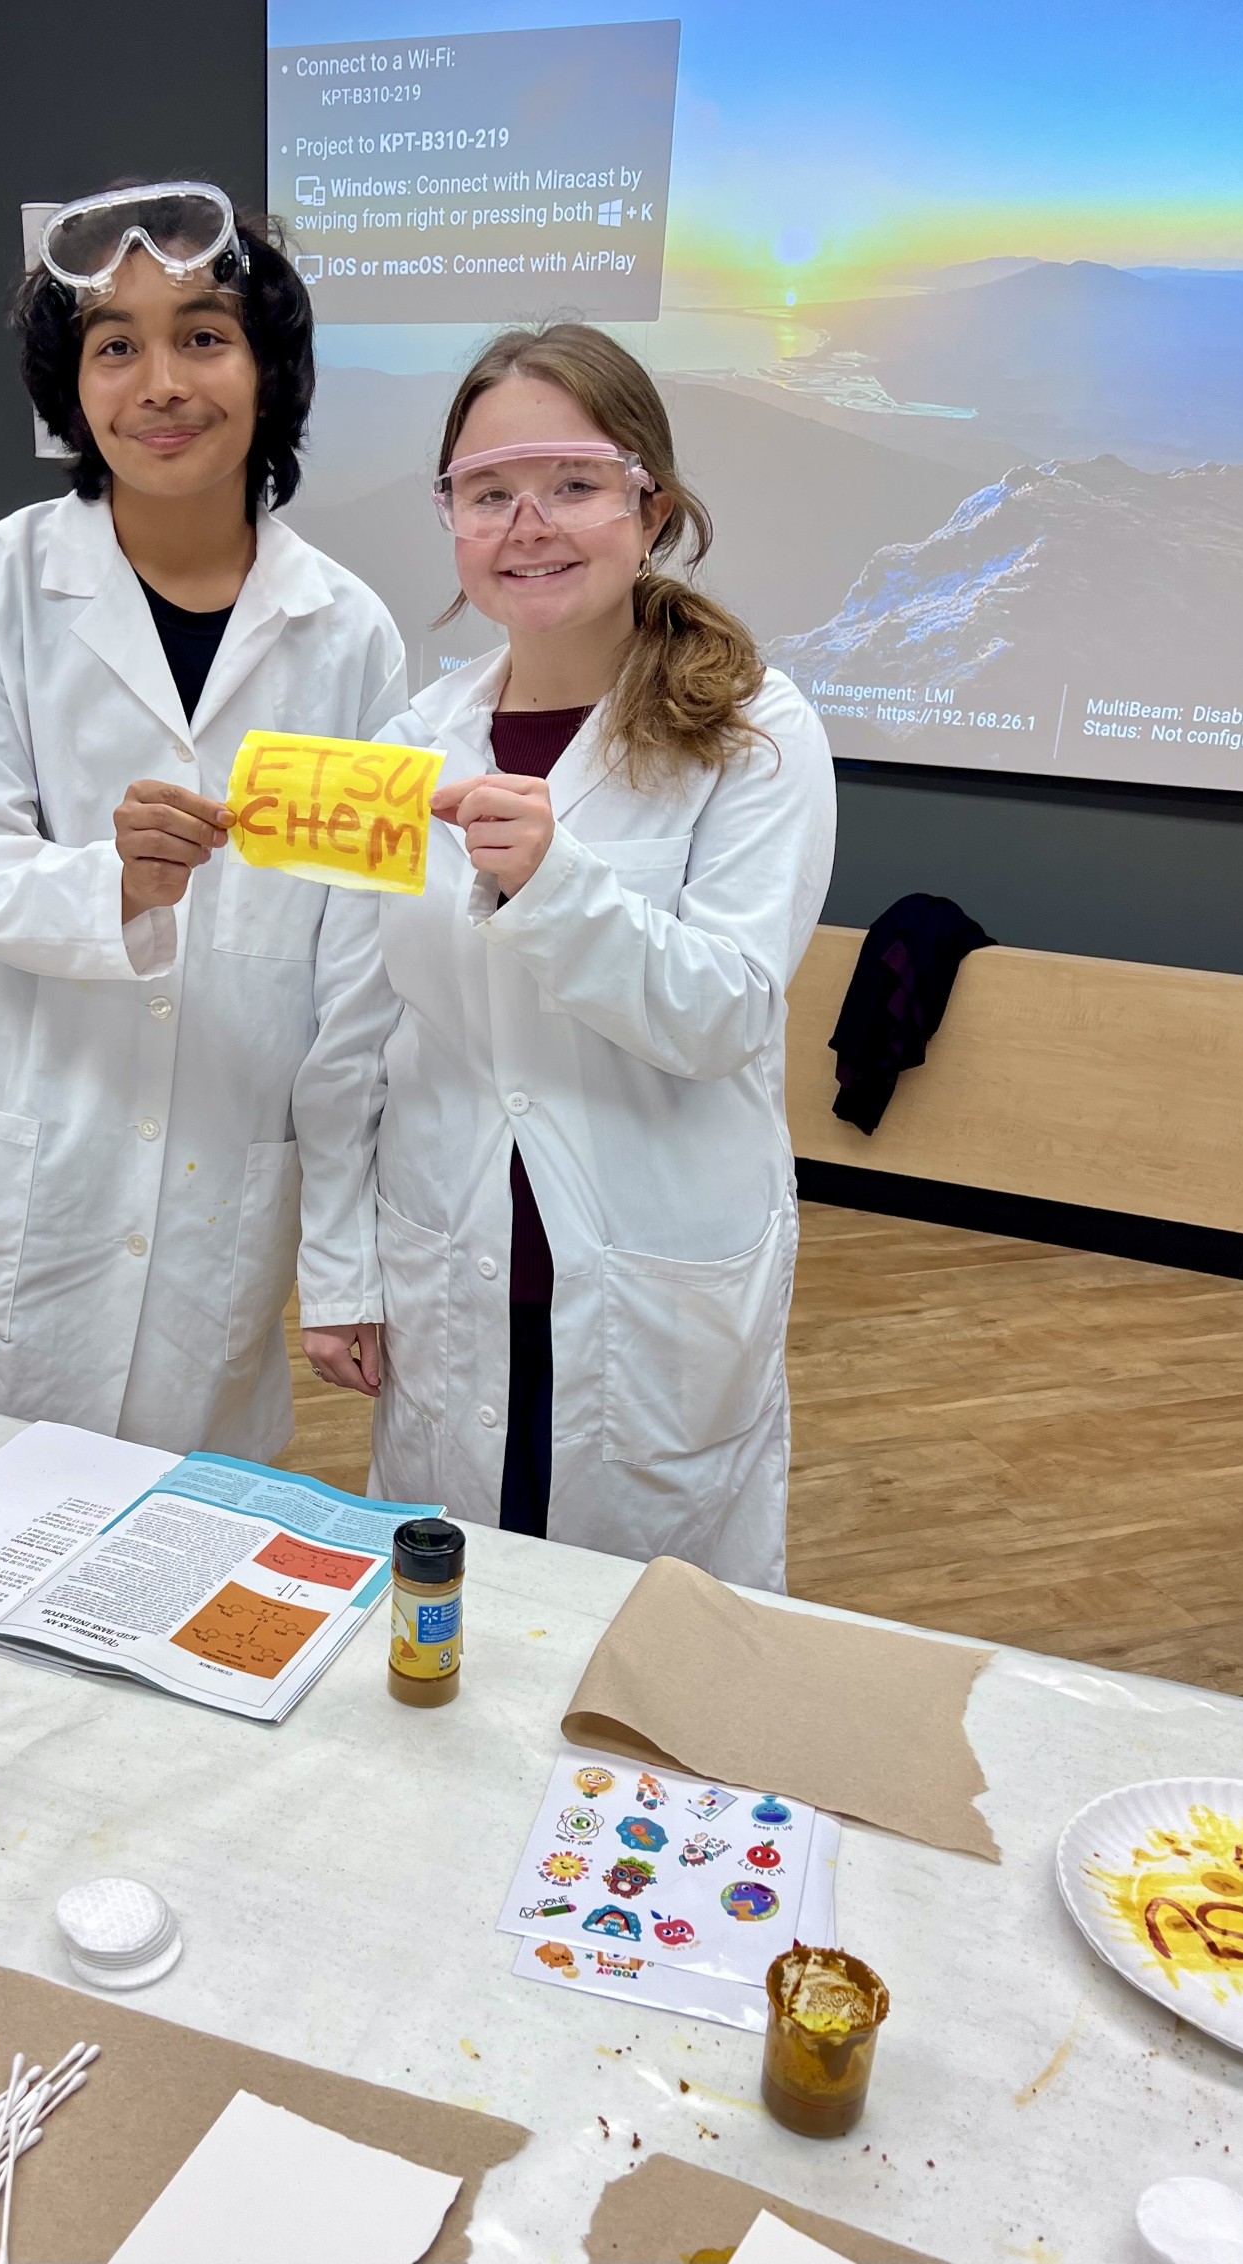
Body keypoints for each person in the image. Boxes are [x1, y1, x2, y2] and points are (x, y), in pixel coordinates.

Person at [0, 183, 405, 1456]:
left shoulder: (350, 633)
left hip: (223, 1168)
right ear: (73, 389)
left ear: (270, 373)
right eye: (116, 346)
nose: (162, 382)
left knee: (167, 1546)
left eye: (204, 336)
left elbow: (357, 973)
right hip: (19, 1158)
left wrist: (342, 1260)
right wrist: (114, 886)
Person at [294, 324, 835, 1588]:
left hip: (651, 1267)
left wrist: (553, 882)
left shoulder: (754, 731)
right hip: (450, 1255)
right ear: (452, 522)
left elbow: (726, 1012)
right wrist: (337, 1265)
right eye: (488, 493)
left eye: (574, 484)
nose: (529, 522)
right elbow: (355, 1029)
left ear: (650, 504)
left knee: (640, 1634)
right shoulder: (416, 737)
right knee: (455, 1599)